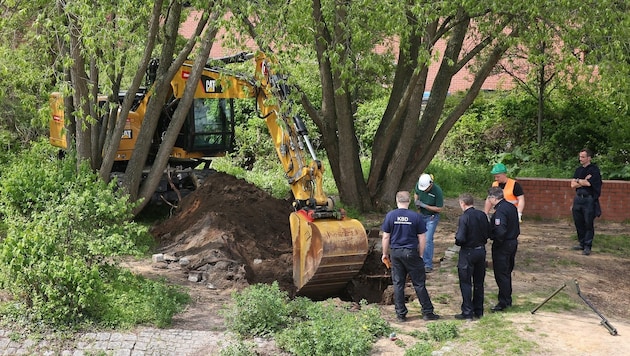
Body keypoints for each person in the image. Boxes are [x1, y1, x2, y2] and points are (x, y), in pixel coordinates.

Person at [381, 191, 440, 322]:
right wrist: (420, 253)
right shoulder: (416, 217)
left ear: (397, 201)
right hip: (411, 251)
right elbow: (422, 237)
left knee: (398, 284)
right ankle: (427, 312)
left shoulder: (390, 215)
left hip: (396, 253)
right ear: (409, 201)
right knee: (419, 283)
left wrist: (385, 253)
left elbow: (386, 236)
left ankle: (401, 314)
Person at [454, 193, 490, 320]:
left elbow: (460, 238)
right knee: (479, 282)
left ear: (462, 203)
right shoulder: (482, 215)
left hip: (467, 252)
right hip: (481, 251)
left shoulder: (465, 217)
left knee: (466, 282)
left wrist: (457, 239)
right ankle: (479, 310)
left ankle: (467, 312)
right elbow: (488, 232)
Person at [487, 186, 520, 312]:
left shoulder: (500, 211)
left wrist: (495, 239)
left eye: (489, 198)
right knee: (506, 272)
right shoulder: (511, 206)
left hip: (503, 245)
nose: (489, 201)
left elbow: (500, 231)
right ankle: (507, 299)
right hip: (513, 243)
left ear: (494, 198)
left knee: (501, 274)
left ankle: (503, 302)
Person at [570, 148, 602, 256]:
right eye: (580, 157)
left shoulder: (594, 170)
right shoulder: (578, 170)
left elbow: (589, 184)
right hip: (578, 198)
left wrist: (579, 181)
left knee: (588, 222)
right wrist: (582, 180)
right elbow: (572, 184)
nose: (581, 159)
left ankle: (588, 245)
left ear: (589, 158)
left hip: (589, 199)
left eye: (583, 157)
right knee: (578, 221)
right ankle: (581, 243)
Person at [413, 173, 444, 273]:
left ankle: (427, 264)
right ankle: (417, 261)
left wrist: (424, 205)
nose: (424, 190)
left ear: (431, 184)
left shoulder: (437, 191)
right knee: (418, 237)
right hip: (421, 215)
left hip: (432, 217)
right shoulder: (419, 185)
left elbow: (439, 208)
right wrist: (416, 202)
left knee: (427, 239)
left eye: (426, 189)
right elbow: (416, 193)